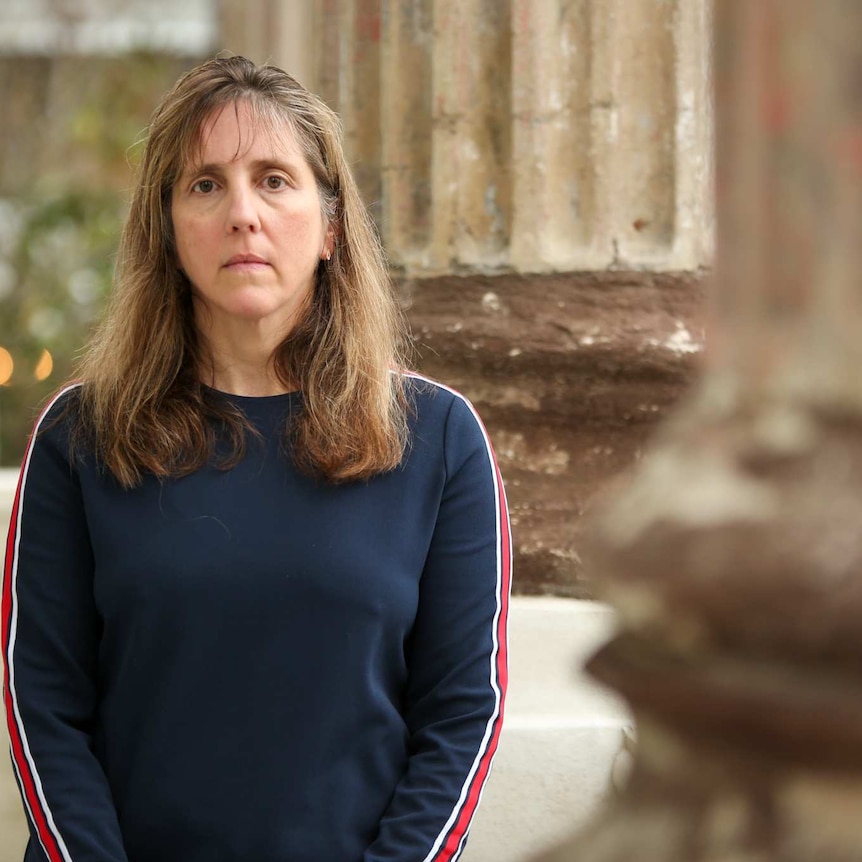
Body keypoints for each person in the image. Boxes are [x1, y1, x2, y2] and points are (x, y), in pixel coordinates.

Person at [1, 56, 511, 862]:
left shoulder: (439, 438)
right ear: (167, 229)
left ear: (332, 226)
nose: (243, 213)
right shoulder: (81, 437)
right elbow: (44, 710)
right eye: (205, 185)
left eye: (274, 180)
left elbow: (460, 716)